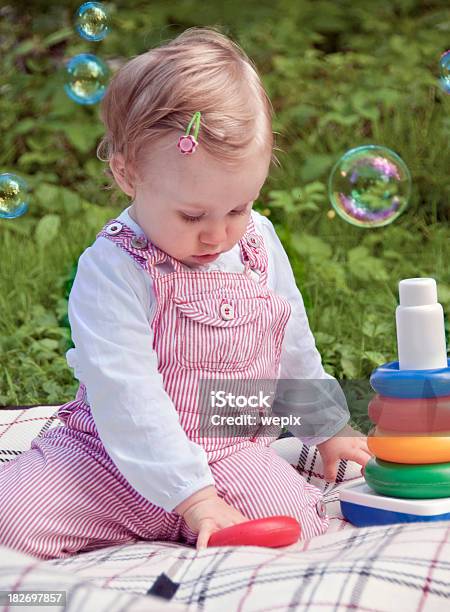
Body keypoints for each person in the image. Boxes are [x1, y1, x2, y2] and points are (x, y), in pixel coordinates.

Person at [0, 26, 371, 560]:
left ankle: (204, 531)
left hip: (227, 453)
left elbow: (292, 344)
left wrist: (328, 427)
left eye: (238, 208)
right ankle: (175, 525)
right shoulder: (114, 267)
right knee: (12, 523)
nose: (216, 234)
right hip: (106, 457)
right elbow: (126, 395)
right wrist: (191, 498)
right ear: (128, 174)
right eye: (192, 215)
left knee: (295, 530)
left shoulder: (257, 246)